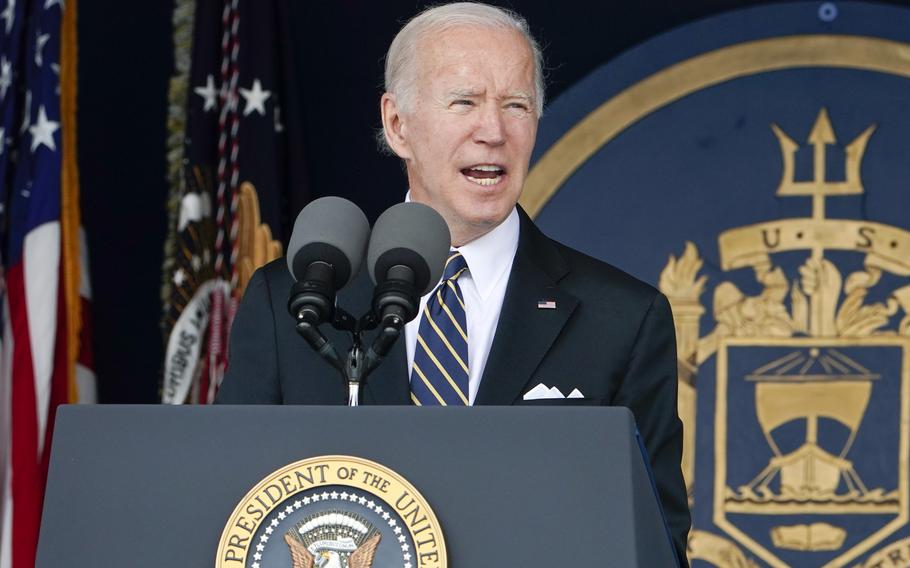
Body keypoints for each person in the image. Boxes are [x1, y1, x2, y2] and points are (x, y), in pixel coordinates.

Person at [216, 2, 690, 562]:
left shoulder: (623, 318)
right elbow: (231, 511)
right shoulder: (295, 303)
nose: (493, 131)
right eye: (464, 102)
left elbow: (655, 547)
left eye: (517, 105)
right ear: (398, 125)